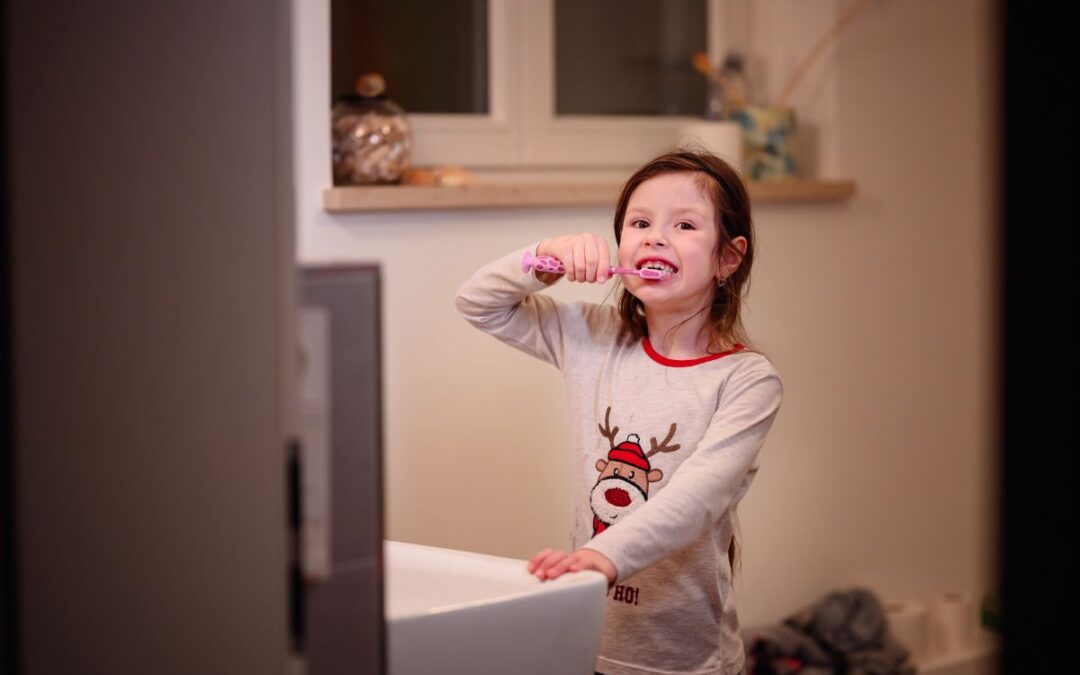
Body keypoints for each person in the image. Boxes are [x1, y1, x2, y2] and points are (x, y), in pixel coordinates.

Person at [454, 149, 783, 675]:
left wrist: (601, 557)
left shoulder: (746, 380)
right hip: (589, 638)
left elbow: (697, 498)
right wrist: (546, 256)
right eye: (640, 222)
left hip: (687, 659)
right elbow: (477, 302)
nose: (655, 236)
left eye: (684, 224)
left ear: (728, 257)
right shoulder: (591, 337)